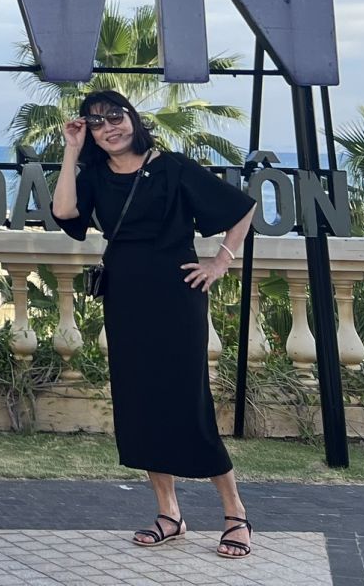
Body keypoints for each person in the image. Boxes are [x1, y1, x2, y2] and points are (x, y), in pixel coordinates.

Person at [51, 87, 260, 560]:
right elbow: (64, 212)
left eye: (115, 117)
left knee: (189, 402)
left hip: (176, 295)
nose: (109, 128)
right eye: (97, 122)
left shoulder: (172, 167)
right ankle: (169, 513)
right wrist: (72, 149)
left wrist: (220, 262)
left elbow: (241, 207)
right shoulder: (95, 175)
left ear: (133, 118)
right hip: (126, 296)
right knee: (139, 402)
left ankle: (235, 513)